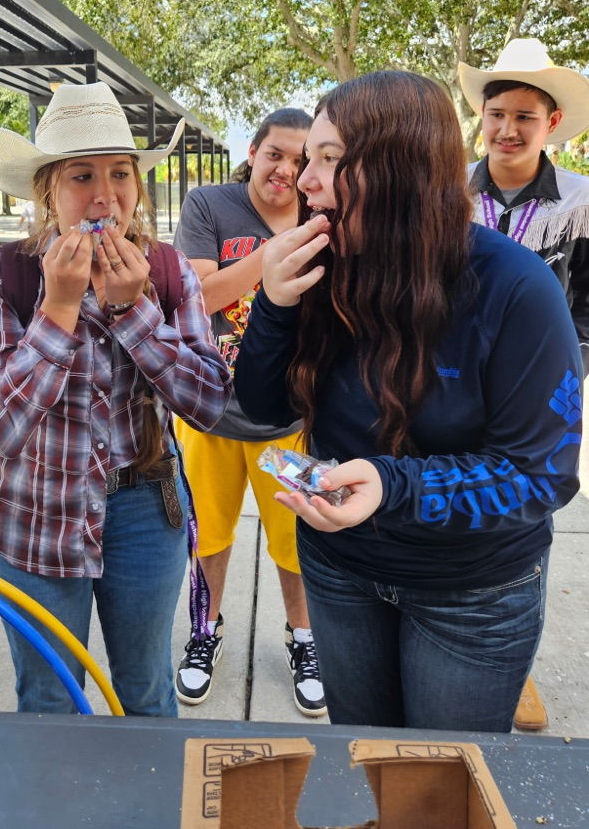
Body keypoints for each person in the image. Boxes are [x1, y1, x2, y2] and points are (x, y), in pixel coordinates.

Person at [234, 70, 582, 733]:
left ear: (402, 172)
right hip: (340, 571)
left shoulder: (516, 289)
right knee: (367, 765)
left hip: (473, 591)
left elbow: (542, 475)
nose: (304, 181)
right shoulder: (322, 264)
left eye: (331, 160)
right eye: (310, 158)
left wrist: (393, 486)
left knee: (439, 789)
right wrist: (275, 306)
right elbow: (263, 406)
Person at [0, 82, 231, 716]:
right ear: (47, 191)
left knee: (145, 692)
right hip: (35, 511)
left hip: (144, 506)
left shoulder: (164, 272)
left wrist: (133, 310)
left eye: (121, 173)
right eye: (82, 175)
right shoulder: (2, 276)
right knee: (50, 699)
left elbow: (209, 403)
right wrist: (57, 309)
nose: (105, 193)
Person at [173, 107, 327, 718]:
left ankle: (305, 640)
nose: (287, 171)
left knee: (297, 542)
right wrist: (276, 257)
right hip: (211, 415)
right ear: (253, 151)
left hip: (292, 425)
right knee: (209, 537)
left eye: (301, 159)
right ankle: (204, 632)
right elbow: (200, 296)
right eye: (276, 155)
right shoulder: (209, 205)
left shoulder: (325, 213)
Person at [459, 37, 589, 730]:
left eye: (524, 118)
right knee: (461, 489)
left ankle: (514, 657)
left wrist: (573, 366)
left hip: (543, 387)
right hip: (458, 378)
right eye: (496, 113)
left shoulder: (580, 201)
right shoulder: (451, 192)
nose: (507, 130)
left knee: (525, 508)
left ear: (553, 124)